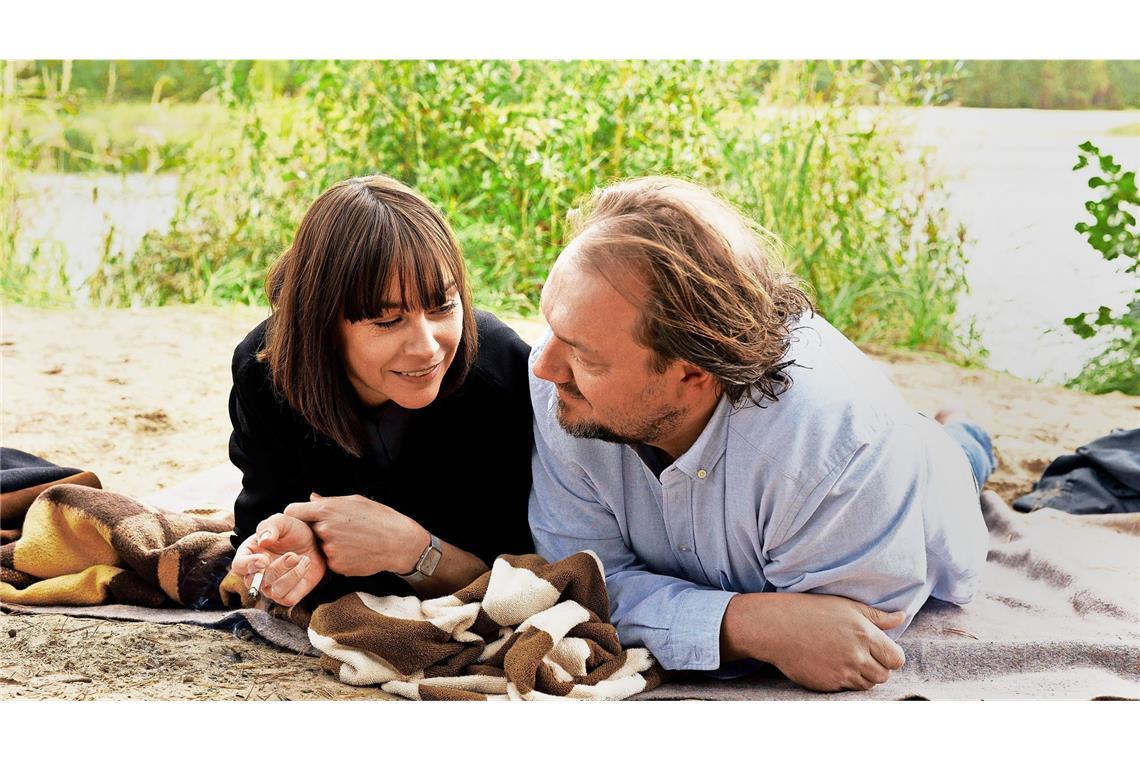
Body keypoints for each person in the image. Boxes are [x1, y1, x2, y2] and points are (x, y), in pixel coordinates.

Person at [528, 177, 993, 692]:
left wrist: (714, 620)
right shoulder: (562, 388)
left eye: (584, 357)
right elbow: (580, 581)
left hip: (927, 485)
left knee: (959, 456)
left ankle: (964, 435)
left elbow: (842, 643)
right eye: (552, 327)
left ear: (692, 373)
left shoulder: (840, 455)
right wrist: (746, 625)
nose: (544, 366)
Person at [228, 175, 534, 607]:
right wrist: (292, 552)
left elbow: (527, 572)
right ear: (322, 323)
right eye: (388, 321)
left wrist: (413, 550)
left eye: (443, 307)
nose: (427, 347)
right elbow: (259, 530)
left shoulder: (502, 373)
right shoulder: (265, 371)